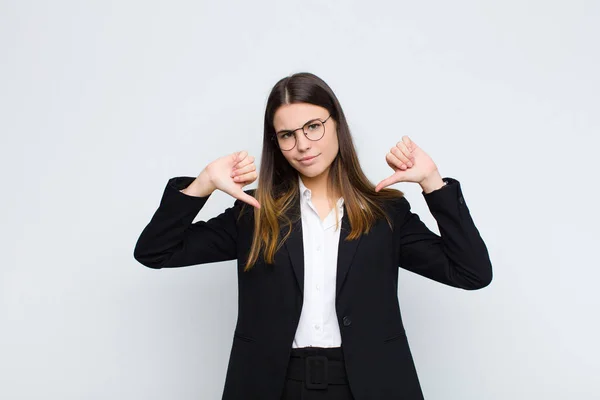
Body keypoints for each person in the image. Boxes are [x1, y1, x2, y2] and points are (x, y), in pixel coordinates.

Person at [133, 72, 493, 400]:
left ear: (337, 125)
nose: (302, 144)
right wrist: (204, 183)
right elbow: (155, 252)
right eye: (287, 135)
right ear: (276, 143)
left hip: (369, 384)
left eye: (313, 127)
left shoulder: (385, 213)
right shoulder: (254, 212)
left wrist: (433, 182)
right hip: (273, 385)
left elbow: (471, 272)